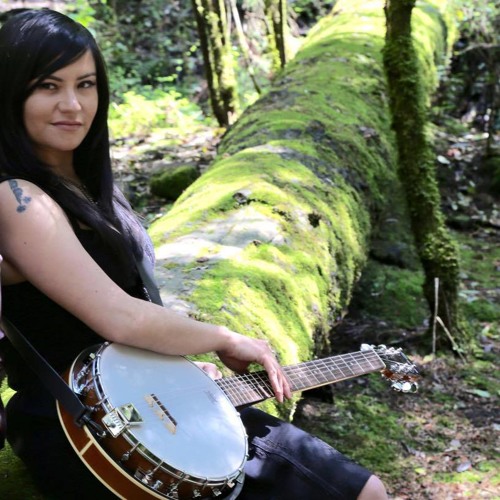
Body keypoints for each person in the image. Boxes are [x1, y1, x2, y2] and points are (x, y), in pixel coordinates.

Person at [0, 9, 387, 500]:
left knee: (365, 490)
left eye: (86, 84)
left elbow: (128, 302)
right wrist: (224, 339)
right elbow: (117, 316)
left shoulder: (87, 183)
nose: (73, 104)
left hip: (149, 396)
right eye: (48, 86)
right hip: (92, 428)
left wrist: (169, 365)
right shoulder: (18, 198)